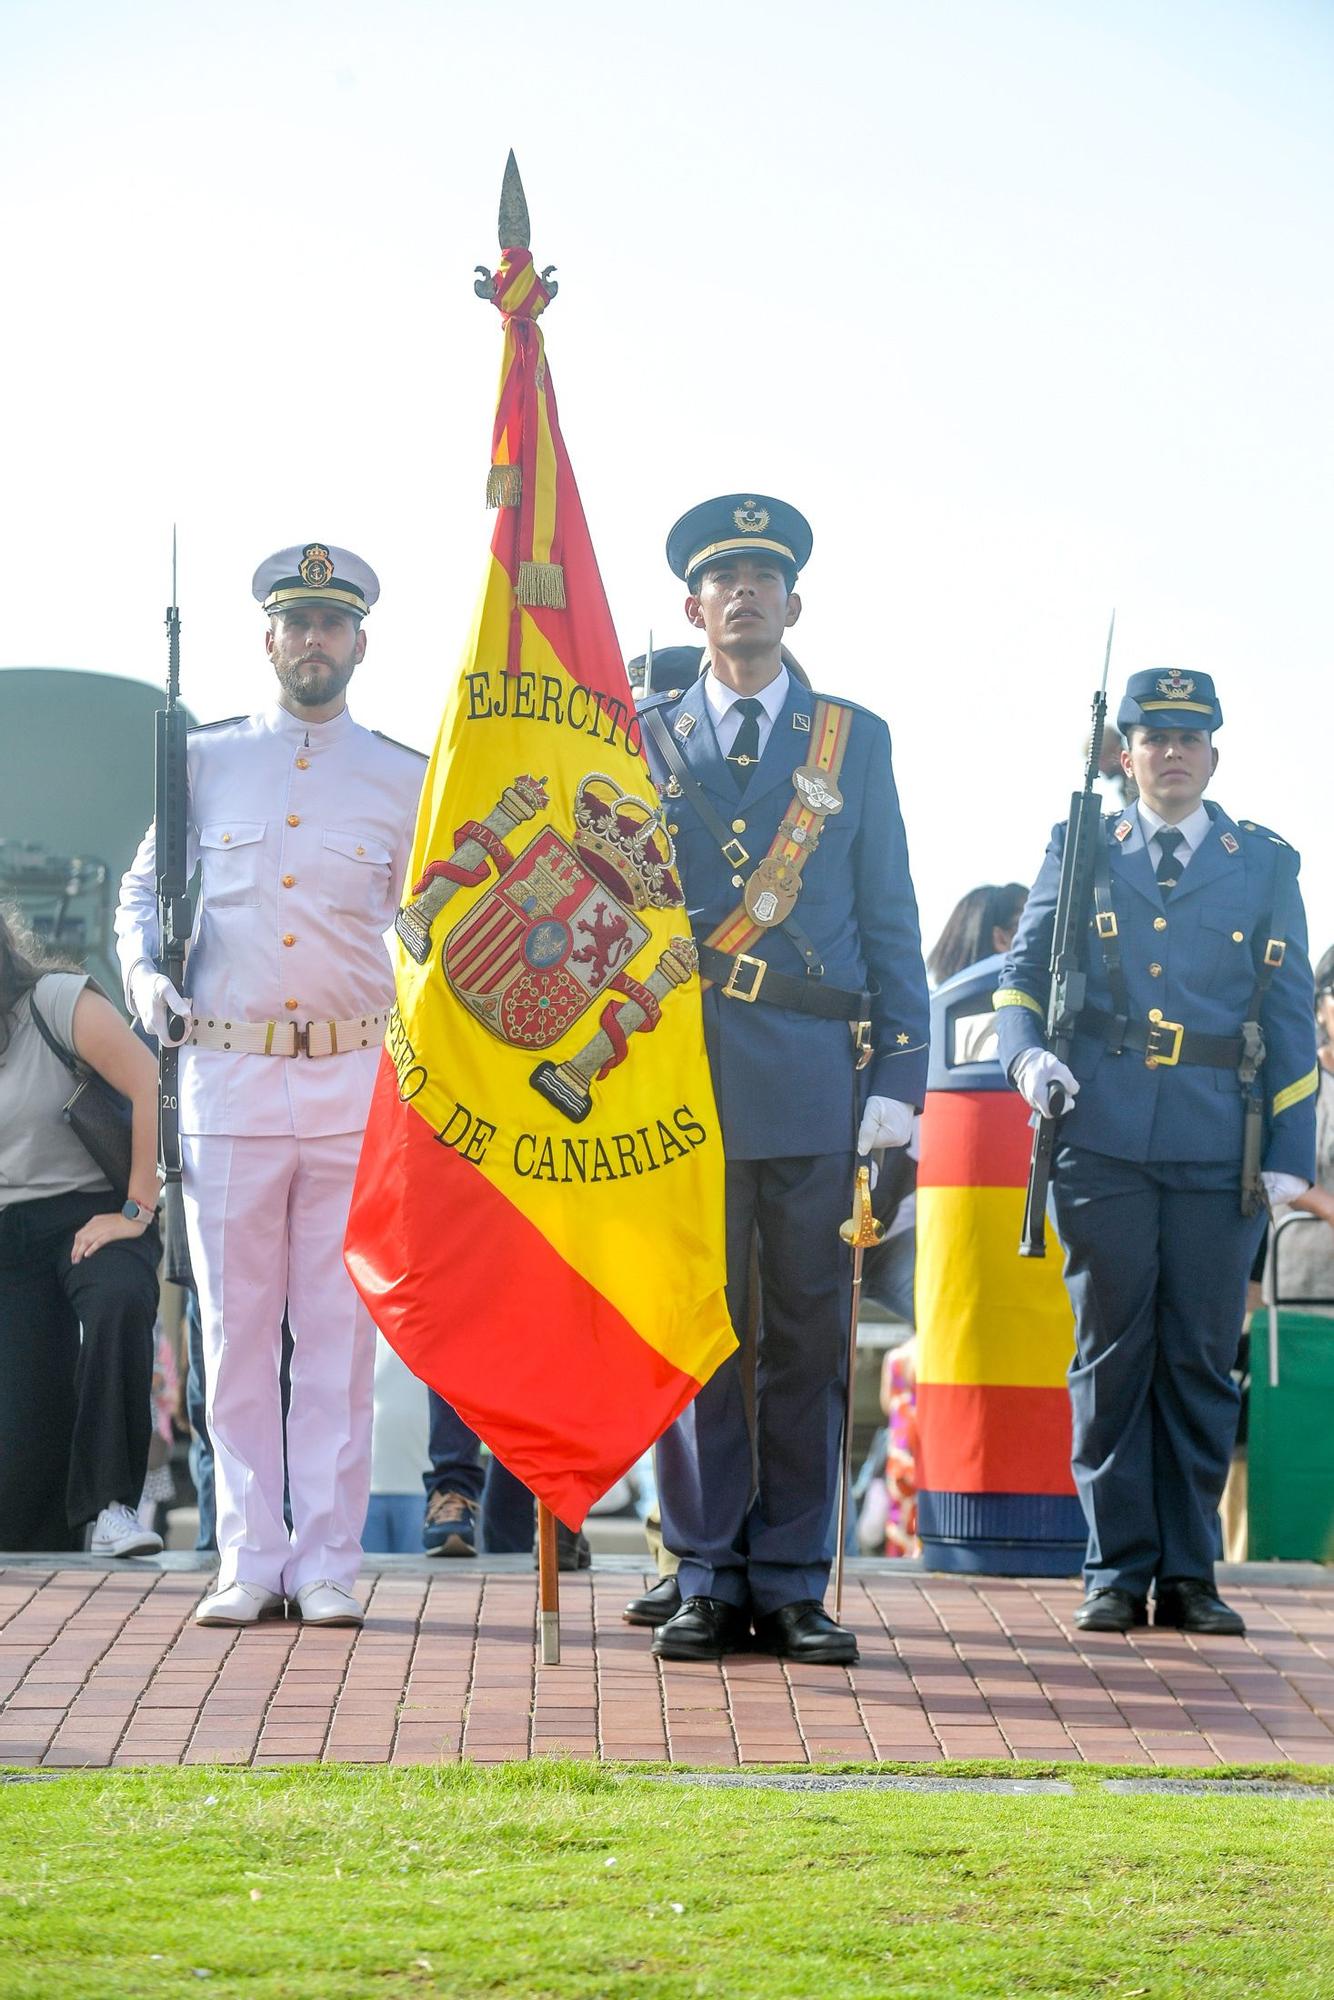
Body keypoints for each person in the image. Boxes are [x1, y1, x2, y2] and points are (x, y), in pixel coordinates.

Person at [635, 494, 930, 1665]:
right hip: (681, 1077)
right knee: (702, 1331)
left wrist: (896, 1077)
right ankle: (705, 1570)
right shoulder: (643, 733)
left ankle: (795, 1577)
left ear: (792, 603)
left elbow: (889, 914)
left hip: (814, 1069)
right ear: (692, 607)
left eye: (764, 575)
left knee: (807, 1337)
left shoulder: (850, 739)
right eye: (724, 576)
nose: (745, 592)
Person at [116, 543, 426, 1627]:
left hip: (351, 1075)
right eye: (296, 622)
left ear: (358, 642)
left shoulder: (401, 776)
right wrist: (148, 976)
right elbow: (142, 892)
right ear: (269, 639)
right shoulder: (202, 760)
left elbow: (429, 931)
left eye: (331, 624)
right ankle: (248, 1554)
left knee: (337, 1336)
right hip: (230, 1071)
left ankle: (329, 1559)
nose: (312, 641)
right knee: (237, 1332)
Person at [996, 668, 1317, 1634]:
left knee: (1199, 1362)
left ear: (1215, 754)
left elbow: (1291, 1014)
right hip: (1100, 1132)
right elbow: (1021, 976)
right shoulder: (1080, 844)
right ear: (1123, 753)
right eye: (1153, 737)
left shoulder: (1262, 864)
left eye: (1189, 738)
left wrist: (1290, 1147)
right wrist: (1028, 1062)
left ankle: (1188, 1573)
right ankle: (1114, 1564)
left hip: (1221, 1140)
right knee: (1110, 1356)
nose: (1171, 754)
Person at [0, 907, 163, 1555]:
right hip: (10, 1231)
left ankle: (111, 1507)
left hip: (96, 1210)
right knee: (21, 1446)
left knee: (118, 1303)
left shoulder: (55, 1002)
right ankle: (43, 1535)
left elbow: (152, 1084)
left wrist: (136, 1210)